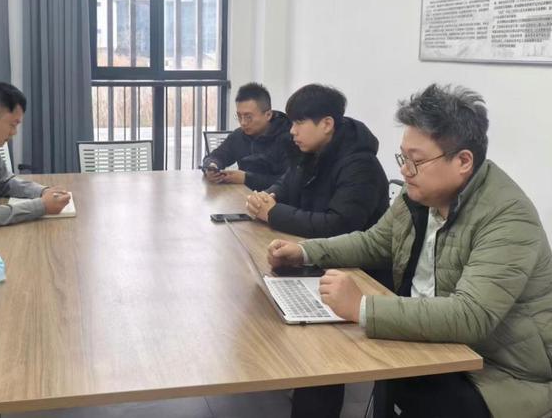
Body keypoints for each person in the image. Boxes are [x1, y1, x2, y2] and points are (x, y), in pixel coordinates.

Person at [267, 84, 552, 418]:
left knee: (399, 381)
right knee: (325, 350)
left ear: (463, 161)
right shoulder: (419, 194)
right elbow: (374, 242)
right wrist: (304, 252)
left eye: (416, 161)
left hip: (501, 369)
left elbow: (470, 316)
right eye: (404, 158)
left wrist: (362, 306)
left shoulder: (507, 216)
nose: (405, 170)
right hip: (435, 341)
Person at [246, 84, 389, 239]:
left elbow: (339, 226)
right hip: (307, 246)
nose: (292, 130)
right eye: (292, 123)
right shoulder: (310, 151)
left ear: (327, 124)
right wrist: (263, 199)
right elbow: (285, 185)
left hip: (348, 255)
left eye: (299, 122)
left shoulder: (361, 166)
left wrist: (273, 213)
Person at [0, 82, 70, 248]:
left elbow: (5, 181)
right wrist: (41, 206)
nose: (14, 132)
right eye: (12, 125)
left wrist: (42, 192)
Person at [202, 82, 298, 191]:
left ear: (268, 115)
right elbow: (216, 156)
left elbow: (290, 183)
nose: (243, 123)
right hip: (245, 196)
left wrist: (247, 178)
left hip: (275, 200)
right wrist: (212, 166)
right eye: (239, 116)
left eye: (248, 117)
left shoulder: (289, 138)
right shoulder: (239, 135)